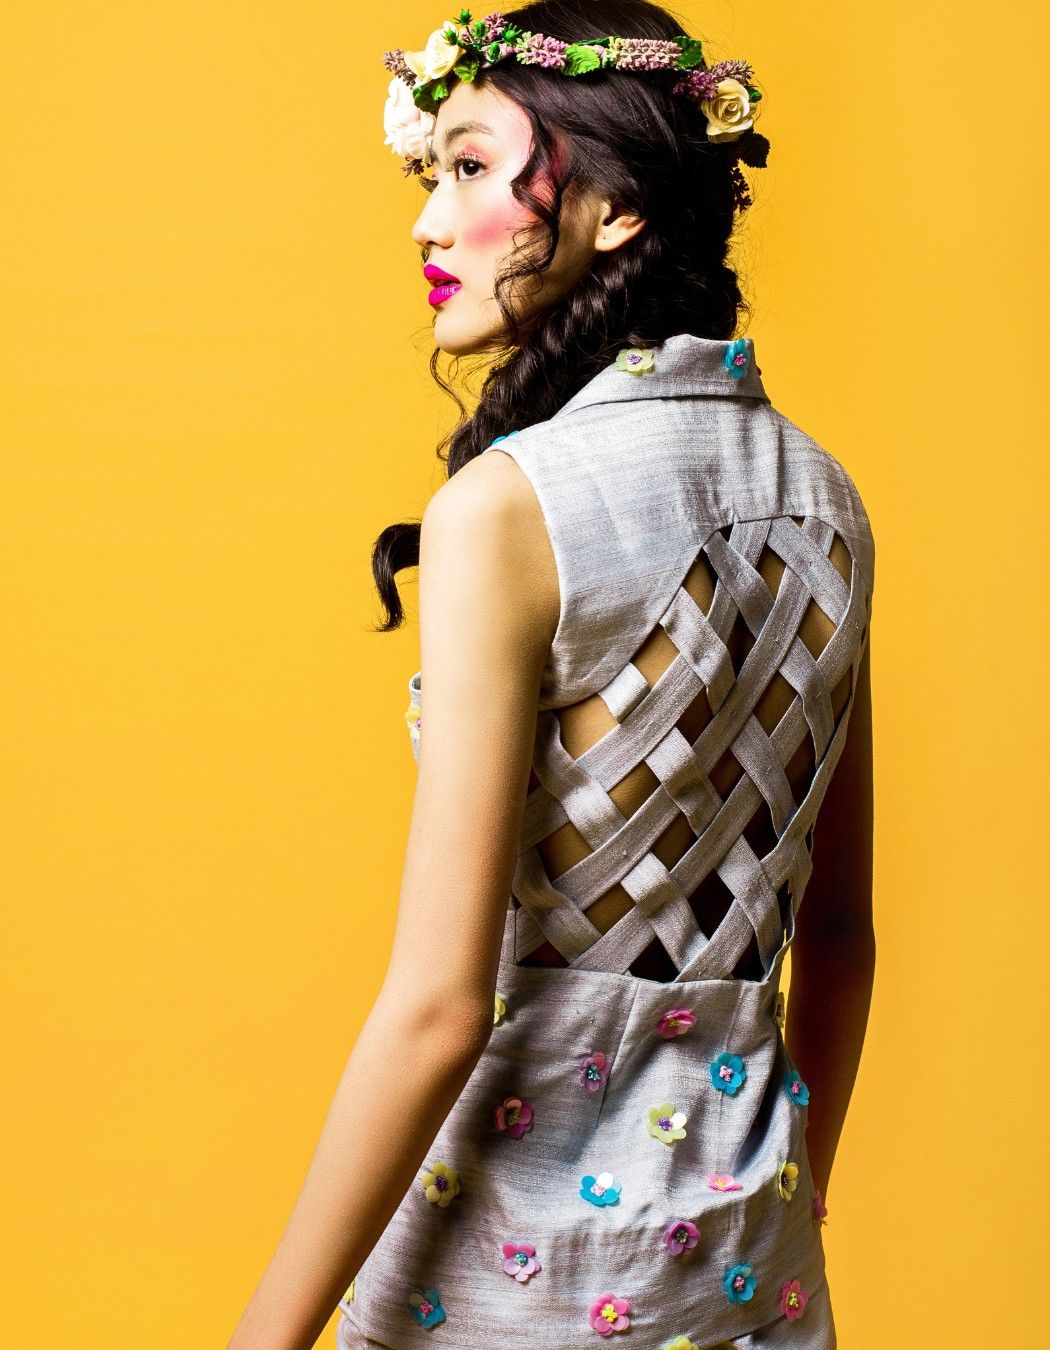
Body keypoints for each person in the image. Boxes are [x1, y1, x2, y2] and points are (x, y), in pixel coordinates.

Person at [227, 4, 876, 1348]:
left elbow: (439, 1008)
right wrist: (781, 1208)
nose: (427, 223)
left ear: (616, 208)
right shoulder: (827, 499)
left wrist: (263, 1335)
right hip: (752, 1269)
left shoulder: (505, 509)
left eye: (469, 167)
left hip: (509, 1276)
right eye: (430, 175)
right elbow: (839, 938)